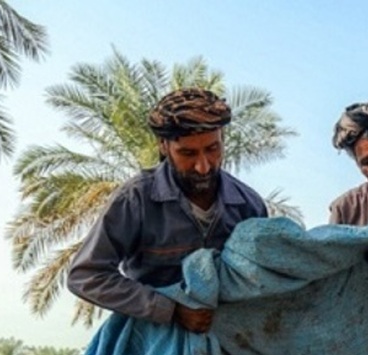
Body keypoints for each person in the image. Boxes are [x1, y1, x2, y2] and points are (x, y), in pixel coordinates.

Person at [67, 87, 268, 332]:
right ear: (163, 146)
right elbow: (86, 275)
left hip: (228, 338)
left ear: (223, 139)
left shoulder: (248, 205)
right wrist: (170, 310)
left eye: (212, 149)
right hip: (152, 337)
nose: (203, 166)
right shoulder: (136, 199)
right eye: (188, 153)